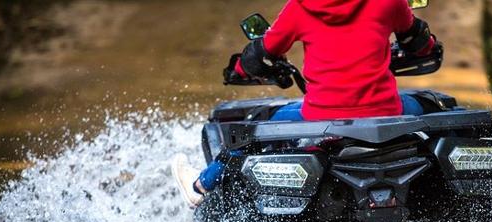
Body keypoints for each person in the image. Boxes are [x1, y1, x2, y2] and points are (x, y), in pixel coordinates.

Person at [174, 0, 436, 207]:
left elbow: (262, 52)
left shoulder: (300, 8)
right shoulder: (389, 2)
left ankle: (200, 186)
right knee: (434, 106)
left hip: (320, 117)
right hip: (386, 112)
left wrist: (240, 69)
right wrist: (428, 46)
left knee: (249, 133)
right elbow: (419, 41)